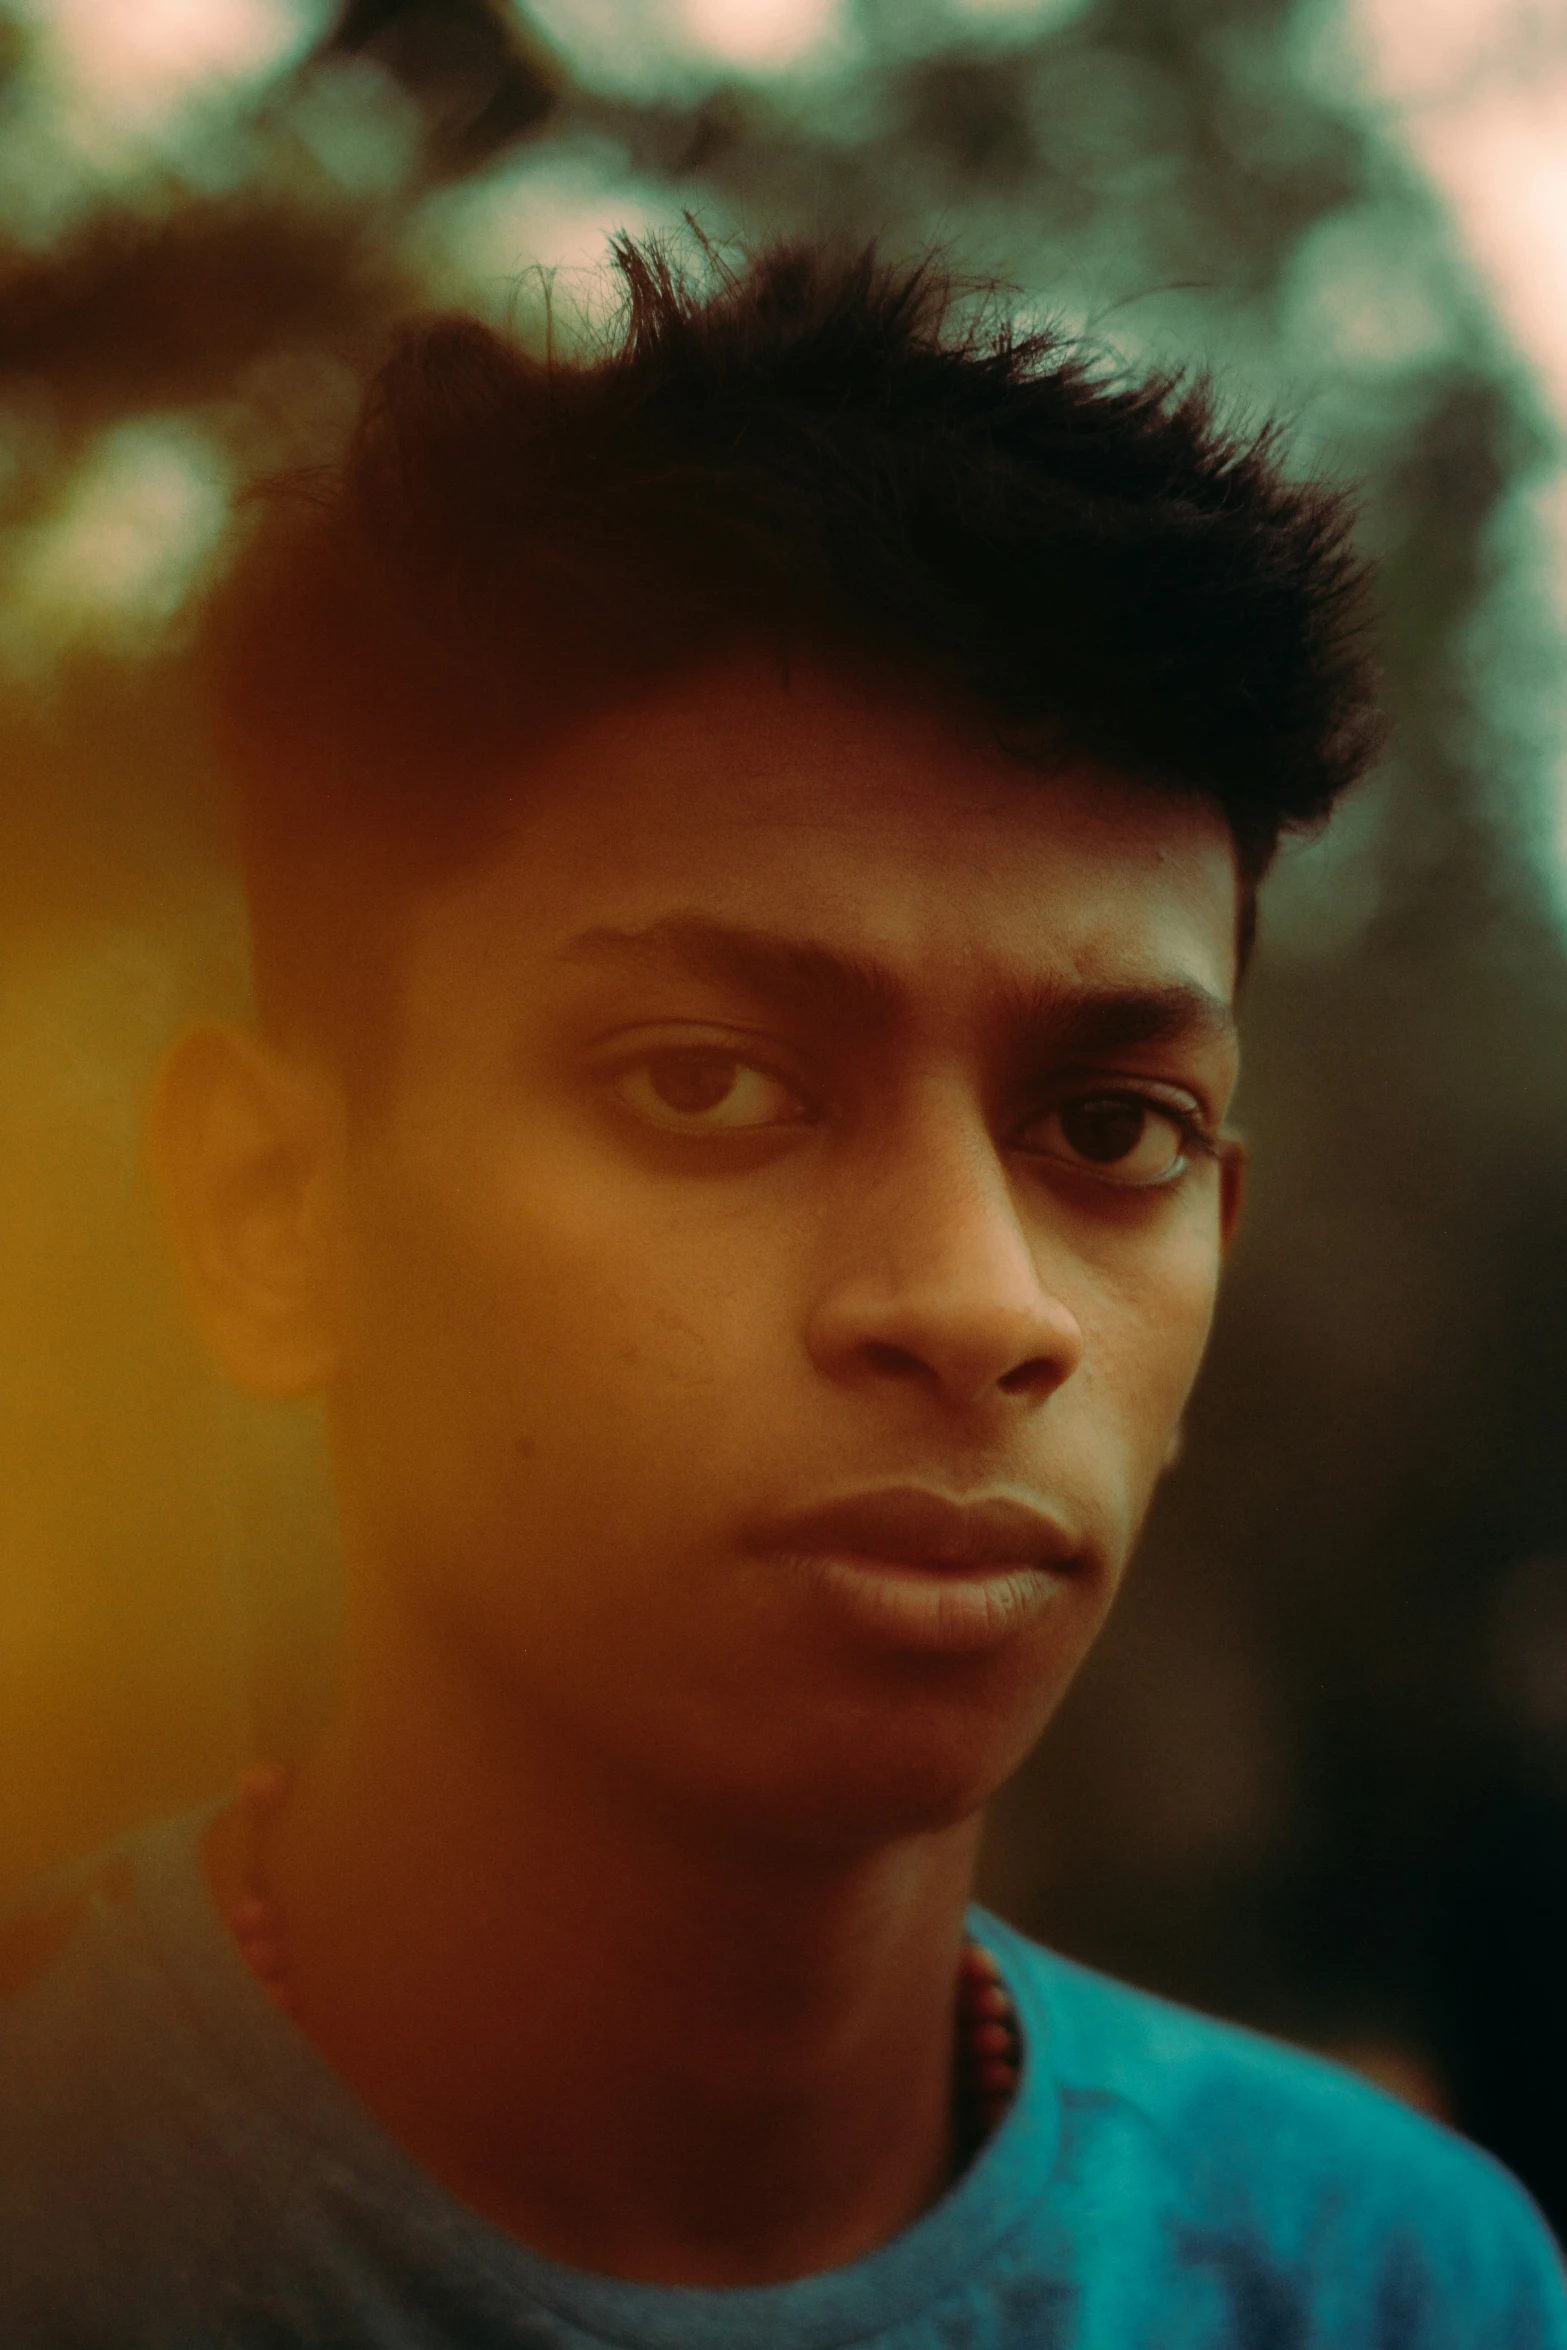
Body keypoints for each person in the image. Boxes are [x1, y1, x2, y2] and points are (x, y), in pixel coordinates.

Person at [1, 235, 1560, 2349]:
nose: (976, 1301)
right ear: (276, 1208)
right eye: (710, 1082)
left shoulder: (1400, 2288)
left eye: (1111, 1129)